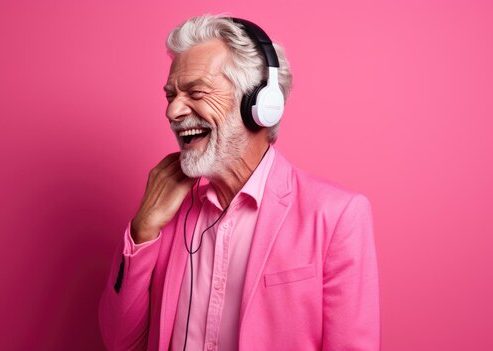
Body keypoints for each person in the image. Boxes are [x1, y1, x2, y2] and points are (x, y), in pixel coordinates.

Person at [99, 14, 379, 351]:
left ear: (260, 105)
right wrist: (142, 229)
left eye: (195, 92)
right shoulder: (166, 214)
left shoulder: (337, 216)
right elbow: (120, 342)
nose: (172, 112)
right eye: (170, 96)